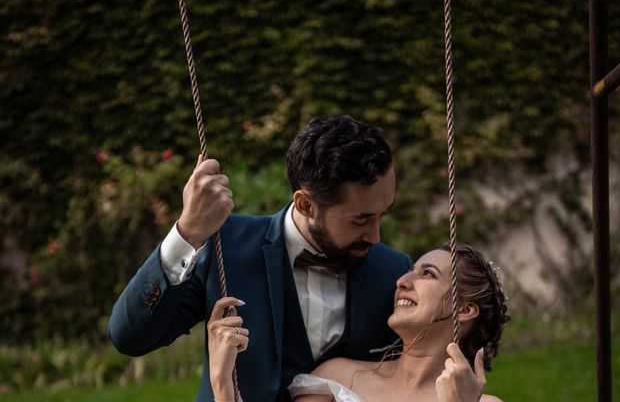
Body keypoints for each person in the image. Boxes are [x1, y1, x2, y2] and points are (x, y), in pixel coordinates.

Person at [108, 115, 412, 402]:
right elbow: (130, 337)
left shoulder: (394, 272)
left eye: (383, 215)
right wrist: (187, 233)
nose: (376, 237)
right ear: (305, 204)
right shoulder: (226, 246)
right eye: (361, 221)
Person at [207, 244, 509, 402]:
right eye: (410, 272)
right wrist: (222, 384)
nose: (402, 281)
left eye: (427, 274)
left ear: (465, 309)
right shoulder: (337, 377)